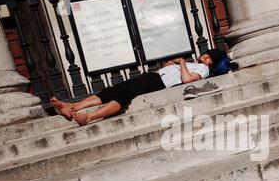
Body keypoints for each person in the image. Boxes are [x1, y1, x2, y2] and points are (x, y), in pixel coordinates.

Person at [51, 49, 228, 126]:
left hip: (159, 83)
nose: (205, 57)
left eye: (209, 58)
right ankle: (73, 106)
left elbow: (188, 80)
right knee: (113, 90)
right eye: (205, 55)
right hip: (155, 76)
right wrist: (170, 65)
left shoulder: (203, 69)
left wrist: (181, 62)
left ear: (212, 64)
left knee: (124, 95)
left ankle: (88, 117)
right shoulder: (195, 63)